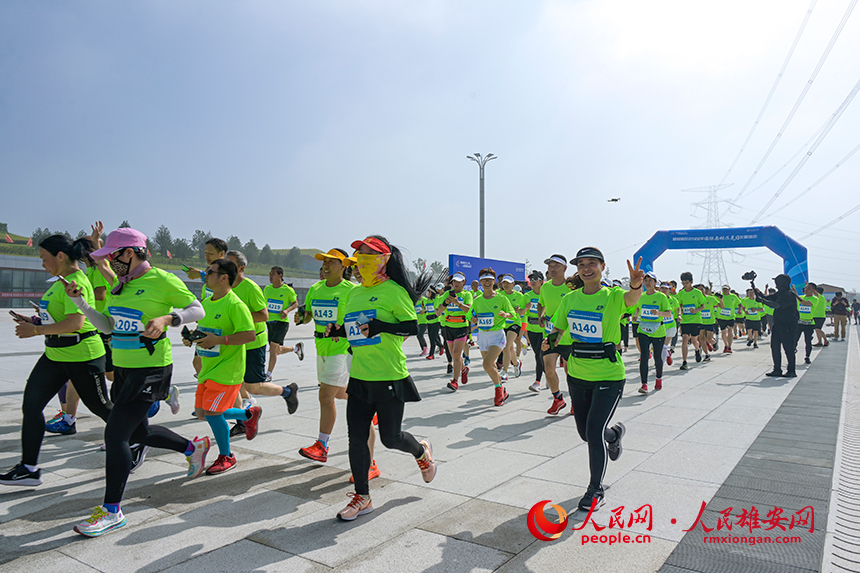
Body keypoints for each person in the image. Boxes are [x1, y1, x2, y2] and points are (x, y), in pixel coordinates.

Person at [63, 227, 210, 536]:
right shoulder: (121, 286)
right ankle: (191, 448)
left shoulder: (161, 280)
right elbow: (107, 325)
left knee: (116, 434)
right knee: (139, 432)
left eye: (111, 257)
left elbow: (197, 308)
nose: (109, 263)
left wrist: (169, 319)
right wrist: (82, 305)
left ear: (129, 253)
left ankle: (112, 510)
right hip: (124, 370)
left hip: (152, 369)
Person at [330, 236, 436, 521]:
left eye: (367, 253)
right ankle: (362, 497)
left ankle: (421, 452)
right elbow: (355, 330)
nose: (360, 258)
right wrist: (338, 331)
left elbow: (411, 327)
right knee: (356, 438)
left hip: (389, 375)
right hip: (360, 376)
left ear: (383, 258)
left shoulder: (394, 291)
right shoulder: (354, 293)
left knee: (391, 438)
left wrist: (381, 326)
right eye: (358, 253)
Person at [1, 235, 113, 487]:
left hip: (82, 355)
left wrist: (36, 331)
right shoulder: (59, 282)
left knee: (103, 409)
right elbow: (59, 318)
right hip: (55, 355)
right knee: (31, 405)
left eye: (44, 258)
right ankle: (28, 468)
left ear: (60, 256)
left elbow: (76, 323)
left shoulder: (77, 282)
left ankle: (143, 436)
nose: (42, 264)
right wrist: (36, 322)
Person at [547, 247, 644, 511]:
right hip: (577, 375)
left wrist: (636, 284)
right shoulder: (570, 299)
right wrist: (549, 342)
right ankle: (614, 436)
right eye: (581, 264)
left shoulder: (612, 296)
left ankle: (595, 489)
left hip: (609, 377)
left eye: (592, 263)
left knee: (593, 430)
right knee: (586, 433)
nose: (586, 268)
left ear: (602, 267)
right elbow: (558, 327)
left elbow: (631, 299)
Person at [297, 249, 382, 482]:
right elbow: (308, 316)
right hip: (321, 348)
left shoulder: (352, 290)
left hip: (342, 349)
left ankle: (323, 446)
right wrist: (301, 316)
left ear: (343, 266)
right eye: (323, 262)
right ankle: (371, 406)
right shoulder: (316, 289)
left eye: (330, 262)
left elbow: (361, 321)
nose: (324, 266)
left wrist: (345, 331)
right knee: (345, 395)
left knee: (326, 395)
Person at [192, 258, 260, 475]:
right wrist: (192, 338)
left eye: (210, 272)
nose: (205, 275)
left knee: (213, 413)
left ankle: (227, 456)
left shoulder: (235, 304)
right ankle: (248, 415)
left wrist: (220, 341)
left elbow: (250, 334)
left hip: (227, 370)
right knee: (203, 413)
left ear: (224, 277)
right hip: (207, 368)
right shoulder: (207, 302)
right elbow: (205, 331)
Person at [226, 251, 298, 437]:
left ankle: (288, 392)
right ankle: (243, 420)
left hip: (252, 341)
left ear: (241, 268)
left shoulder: (250, 288)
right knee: (233, 382)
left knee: (253, 386)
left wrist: (238, 317)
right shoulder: (224, 285)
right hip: (233, 342)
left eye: (231, 264)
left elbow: (262, 315)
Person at [470, 268, 516, 405]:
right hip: (482, 336)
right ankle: (503, 390)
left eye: (490, 280)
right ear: (480, 282)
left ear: (494, 281)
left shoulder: (502, 298)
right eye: (484, 280)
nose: (487, 282)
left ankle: (498, 390)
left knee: (486, 364)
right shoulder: (477, 300)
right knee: (491, 366)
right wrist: (473, 319)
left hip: (497, 336)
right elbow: (472, 316)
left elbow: (512, 314)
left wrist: (505, 315)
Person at [538, 254, 571, 414]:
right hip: (552, 335)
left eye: (556, 265)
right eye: (550, 266)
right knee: (549, 369)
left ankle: (576, 402)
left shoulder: (572, 287)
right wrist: (541, 315)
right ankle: (558, 399)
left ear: (565, 268)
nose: (552, 268)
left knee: (570, 372)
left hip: (571, 337)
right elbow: (541, 304)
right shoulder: (545, 287)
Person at [755, 274, 801, 378]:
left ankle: (791, 370)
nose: (775, 285)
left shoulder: (789, 295)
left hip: (788, 325)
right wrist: (759, 294)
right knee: (774, 347)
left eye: (777, 283)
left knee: (788, 348)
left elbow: (775, 305)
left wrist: (763, 301)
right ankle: (777, 369)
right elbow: (769, 298)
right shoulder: (780, 293)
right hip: (778, 324)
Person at [263, 266, 303, 381]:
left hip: (281, 322)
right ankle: (295, 349)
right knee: (276, 350)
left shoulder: (288, 290)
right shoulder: (267, 289)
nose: (270, 276)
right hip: (269, 322)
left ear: (280, 276)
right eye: (270, 274)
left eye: (273, 274)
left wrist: (287, 310)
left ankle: (269, 374)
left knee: (272, 348)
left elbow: (295, 303)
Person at [634, 272, 672, 393]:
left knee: (657, 357)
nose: (648, 282)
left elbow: (668, 313)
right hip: (643, 330)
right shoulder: (641, 295)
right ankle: (644, 384)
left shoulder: (661, 297)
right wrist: (636, 316)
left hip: (658, 331)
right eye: (646, 280)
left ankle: (658, 378)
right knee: (644, 356)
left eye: (651, 280)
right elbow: (638, 308)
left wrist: (658, 313)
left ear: (656, 283)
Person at [436, 272, 473, 391]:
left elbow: (469, 310)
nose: (456, 284)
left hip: (462, 327)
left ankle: (455, 381)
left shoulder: (467, 294)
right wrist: (445, 303)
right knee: (453, 354)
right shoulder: (447, 294)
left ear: (464, 282)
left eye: (459, 281)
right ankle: (463, 369)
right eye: (454, 282)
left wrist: (457, 303)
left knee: (457, 354)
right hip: (448, 326)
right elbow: (438, 311)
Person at [497, 274, 524, 380]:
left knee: (506, 346)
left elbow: (522, 312)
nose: (506, 285)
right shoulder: (499, 294)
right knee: (510, 348)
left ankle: (505, 371)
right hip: (502, 323)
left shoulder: (519, 296)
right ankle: (516, 364)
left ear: (513, 284)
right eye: (504, 283)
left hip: (514, 322)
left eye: (508, 283)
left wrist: (519, 310)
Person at [676, 272, 705, 370]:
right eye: (683, 283)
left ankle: (697, 349)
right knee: (685, 339)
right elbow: (679, 305)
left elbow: (703, 305)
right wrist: (679, 314)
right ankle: (684, 362)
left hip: (696, 320)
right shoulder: (681, 293)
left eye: (686, 283)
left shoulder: (697, 293)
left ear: (691, 282)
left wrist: (696, 310)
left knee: (694, 340)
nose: (685, 285)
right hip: (685, 320)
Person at [522, 271, 545, 392]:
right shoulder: (527, 296)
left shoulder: (547, 294)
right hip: (532, 329)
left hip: (544, 330)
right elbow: (520, 313)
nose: (533, 281)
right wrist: (524, 308)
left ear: (541, 281)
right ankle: (549, 375)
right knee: (539, 355)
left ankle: (537, 382)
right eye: (531, 279)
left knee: (539, 355)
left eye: (536, 279)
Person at [796, 284, 817, 365]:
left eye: (809, 288)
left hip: (809, 323)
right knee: (795, 339)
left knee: (807, 341)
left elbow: (805, 303)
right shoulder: (801, 296)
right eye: (806, 288)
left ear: (813, 290)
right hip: (799, 322)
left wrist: (796, 295)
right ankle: (793, 352)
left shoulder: (814, 299)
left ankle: (807, 356)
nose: (806, 289)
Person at [717, 285, 740, 353]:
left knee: (730, 331)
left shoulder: (733, 296)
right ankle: (726, 345)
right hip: (721, 317)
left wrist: (740, 310)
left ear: (729, 289)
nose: (725, 290)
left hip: (731, 317)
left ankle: (729, 346)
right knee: (724, 332)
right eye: (724, 289)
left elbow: (739, 304)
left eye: (726, 289)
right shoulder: (719, 296)